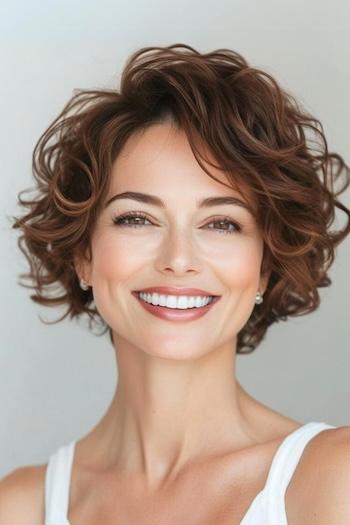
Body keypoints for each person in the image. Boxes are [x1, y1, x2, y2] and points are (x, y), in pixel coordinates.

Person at [1, 43, 350, 524]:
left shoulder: (335, 481)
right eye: (137, 218)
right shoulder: (21, 508)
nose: (179, 260)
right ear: (83, 253)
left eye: (222, 223)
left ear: (266, 264)